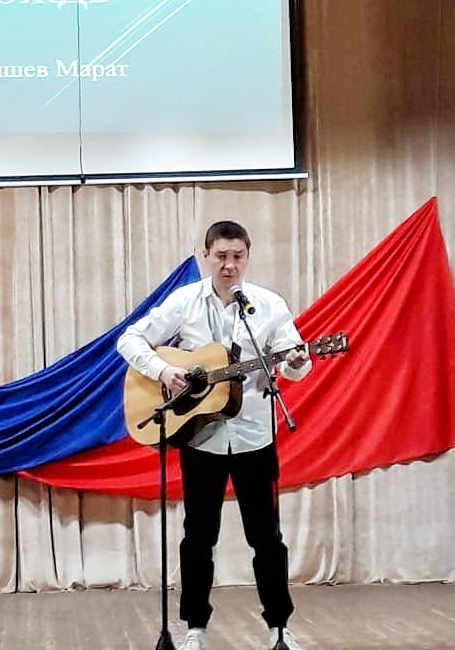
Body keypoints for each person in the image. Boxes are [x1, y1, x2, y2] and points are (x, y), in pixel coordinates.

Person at [117, 220, 311, 650]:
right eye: (221, 256)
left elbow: (295, 364)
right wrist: (163, 371)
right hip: (202, 437)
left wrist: (295, 362)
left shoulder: (268, 305)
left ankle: (279, 629)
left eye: (237, 256)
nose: (229, 265)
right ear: (206, 255)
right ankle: (194, 629)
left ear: (247, 256)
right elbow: (130, 340)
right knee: (198, 537)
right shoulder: (185, 302)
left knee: (266, 538)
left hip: (255, 437)